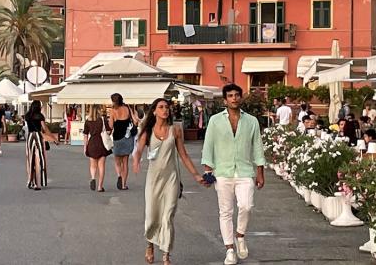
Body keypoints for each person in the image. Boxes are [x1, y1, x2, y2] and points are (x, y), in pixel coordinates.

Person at [133, 98, 208, 264]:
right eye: (161, 107)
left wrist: (196, 175)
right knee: (152, 216)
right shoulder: (148, 132)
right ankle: (150, 244)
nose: (165, 110)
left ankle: (166, 254)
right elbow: (138, 150)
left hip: (171, 180)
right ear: (154, 111)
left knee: (167, 217)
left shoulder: (175, 130)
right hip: (153, 180)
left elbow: (183, 155)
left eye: (167, 107)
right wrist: (136, 160)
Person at [202, 84, 266, 265]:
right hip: (222, 172)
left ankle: (240, 235)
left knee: (246, 206)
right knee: (225, 212)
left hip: (245, 171)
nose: (234, 98)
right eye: (230, 96)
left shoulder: (251, 121)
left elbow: (257, 147)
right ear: (225, 100)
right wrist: (208, 172)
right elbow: (209, 146)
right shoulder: (215, 120)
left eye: (237, 95)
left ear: (241, 98)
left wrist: (260, 172)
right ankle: (229, 249)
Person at [24, 100, 58, 190]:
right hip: (38, 136)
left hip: (30, 137)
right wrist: (53, 138)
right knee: (40, 160)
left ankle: (30, 181)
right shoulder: (40, 116)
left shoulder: (27, 116)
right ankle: (39, 183)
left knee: (30, 160)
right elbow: (44, 128)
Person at [109, 93, 139, 191]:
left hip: (117, 138)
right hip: (127, 137)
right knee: (125, 162)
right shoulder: (127, 109)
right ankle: (123, 185)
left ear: (113, 101)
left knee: (117, 161)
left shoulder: (113, 111)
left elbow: (111, 126)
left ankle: (119, 176)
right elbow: (135, 122)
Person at [82, 105, 111, 191]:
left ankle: (93, 177)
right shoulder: (102, 120)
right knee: (101, 166)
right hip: (101, 142)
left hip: (92, 143)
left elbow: (85, 135)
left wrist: (85, 147)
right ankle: (100, 186)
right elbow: (109, 131)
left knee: (93, 165)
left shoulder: (88, 121)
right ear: (99, 110)